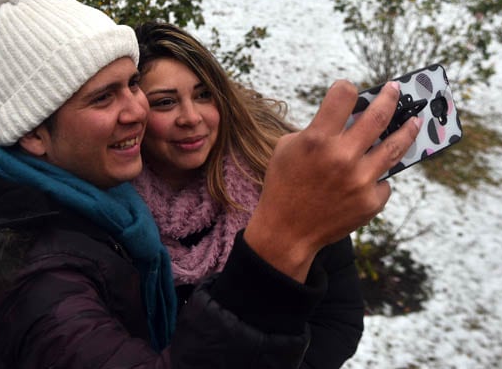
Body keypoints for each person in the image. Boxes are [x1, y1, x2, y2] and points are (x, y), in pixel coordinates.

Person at [0, 0, 418, 368]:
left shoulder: (93, 197)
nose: (137, 111)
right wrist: (283, 237)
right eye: (104, 98)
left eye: (130, 86)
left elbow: (337, 321)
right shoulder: (34, 275)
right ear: (32, 134)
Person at [131, 22, 364, 369]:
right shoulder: (114, 213)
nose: (192, 118)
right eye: (165, 103)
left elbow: (338, 318)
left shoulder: (279, 182)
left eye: (203, 95)